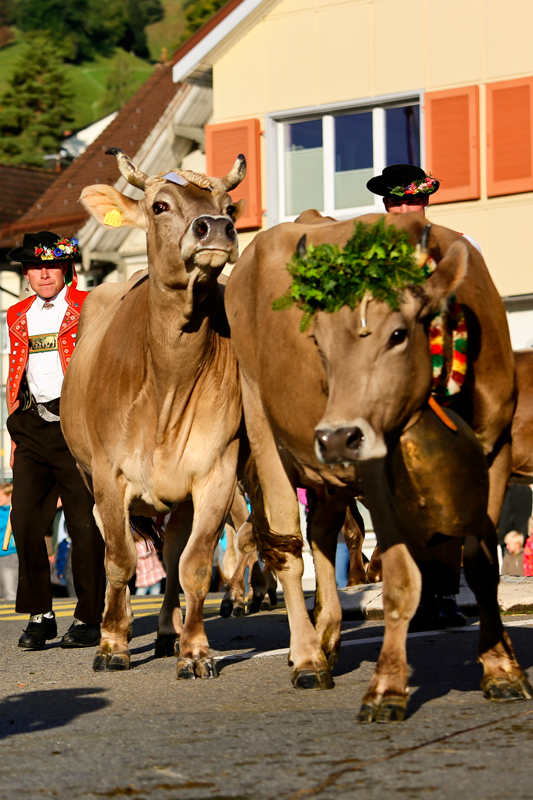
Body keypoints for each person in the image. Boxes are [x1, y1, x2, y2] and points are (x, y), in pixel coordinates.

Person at [366, 164, 471, 629]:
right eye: (395, 202)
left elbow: (468, 317)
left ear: (425, 202)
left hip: (444, 387)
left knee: (445, 495)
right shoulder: (365, 257)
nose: (404, 209)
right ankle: (410, 593)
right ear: (385, 206)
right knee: (391, 497)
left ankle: (446, 594)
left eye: (411, 201)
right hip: (383, 394)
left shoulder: (454, 248)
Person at [6, 230, 106, 650]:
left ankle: (88, 616)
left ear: (65, 268)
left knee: (84, 524)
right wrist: (12, 426)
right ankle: (41, 614)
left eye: (50, 265)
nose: (43, 274)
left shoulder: (89, 306)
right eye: (35, 267)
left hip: (77, 423)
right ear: (26, 273)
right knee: (25, 520)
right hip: (30, 424)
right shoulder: (15, 314)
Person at [0, 482, 17, 601]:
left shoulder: (16, 511)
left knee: (9, 591)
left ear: (10, 495)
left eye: (0, 496)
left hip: (9, 554)